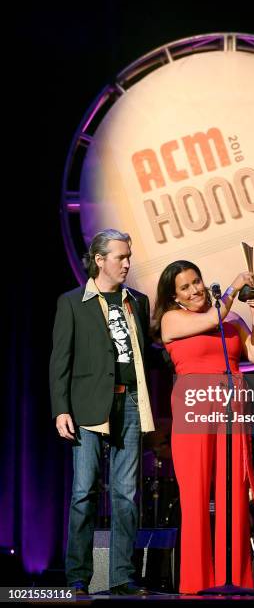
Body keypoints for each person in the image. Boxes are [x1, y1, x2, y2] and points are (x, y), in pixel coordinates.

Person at [50, 229, 155, 596]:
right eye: (120, 257)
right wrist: (60, 408)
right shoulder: (72, 302)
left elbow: (148, 353)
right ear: (99, 260)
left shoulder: (137, 301)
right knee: (84, 491)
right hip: (87, 406)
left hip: (128, 404)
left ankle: (122, 575)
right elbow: (59, 361)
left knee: (126, 494)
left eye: (129, 256)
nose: (127, 263)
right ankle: (77, 576)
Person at [152, 260, 254, 593]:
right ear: (175, 297)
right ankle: (196, 583)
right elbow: (210, 318)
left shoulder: (231, 319)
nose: (194, 290)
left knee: (233, 493)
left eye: (196, 281)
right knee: (197, 497)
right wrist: (232, 288)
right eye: (185, 287)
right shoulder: (173, 320)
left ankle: (234, 580)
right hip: (194, 407)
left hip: (231, 405)